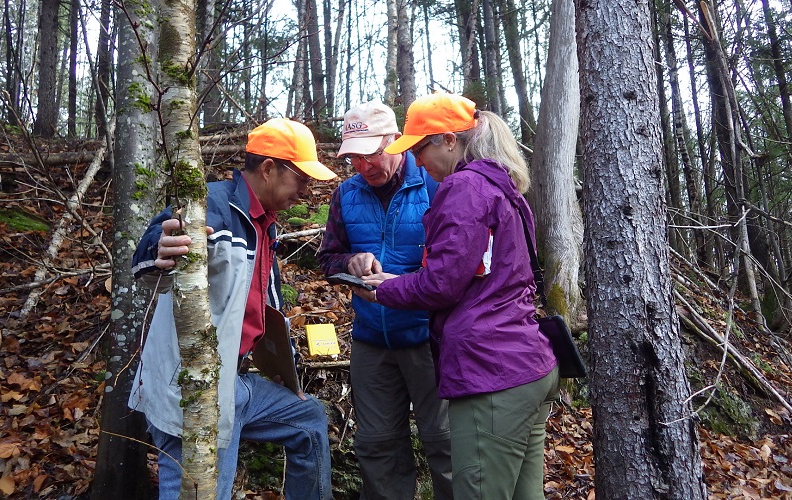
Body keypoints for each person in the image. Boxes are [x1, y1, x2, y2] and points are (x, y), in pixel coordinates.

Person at [359, 93, 560, 500]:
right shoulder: (502, 186)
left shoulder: (464, 187)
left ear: (449, 140)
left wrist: (384, 290)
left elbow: (442, 284)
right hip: (527, 367)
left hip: (492, 373)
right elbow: (475, 275)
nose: (417, 160)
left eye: (420, 147)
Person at [129, 118, 336, 500]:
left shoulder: (265, 225)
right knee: (201, 492)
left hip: (237, 383)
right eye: (302, 180)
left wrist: (285, 369)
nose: (306, 192)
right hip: (192, 389)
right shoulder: (211, 206)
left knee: (309, 420)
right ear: (269, 169)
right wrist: (161, 251)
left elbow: (268, 304)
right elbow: (149, 255)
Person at [317, 100, 452, 499]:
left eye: (371, 154)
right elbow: (327, 257)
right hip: (372, 340)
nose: (363, 166)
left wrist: (404, 284)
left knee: (445, 443)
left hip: (430, 339)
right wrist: (350, 261)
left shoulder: (434, 184)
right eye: (354, 158)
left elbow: (458, 268)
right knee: (377, 445)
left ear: (395, 141)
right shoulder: (346, 194)